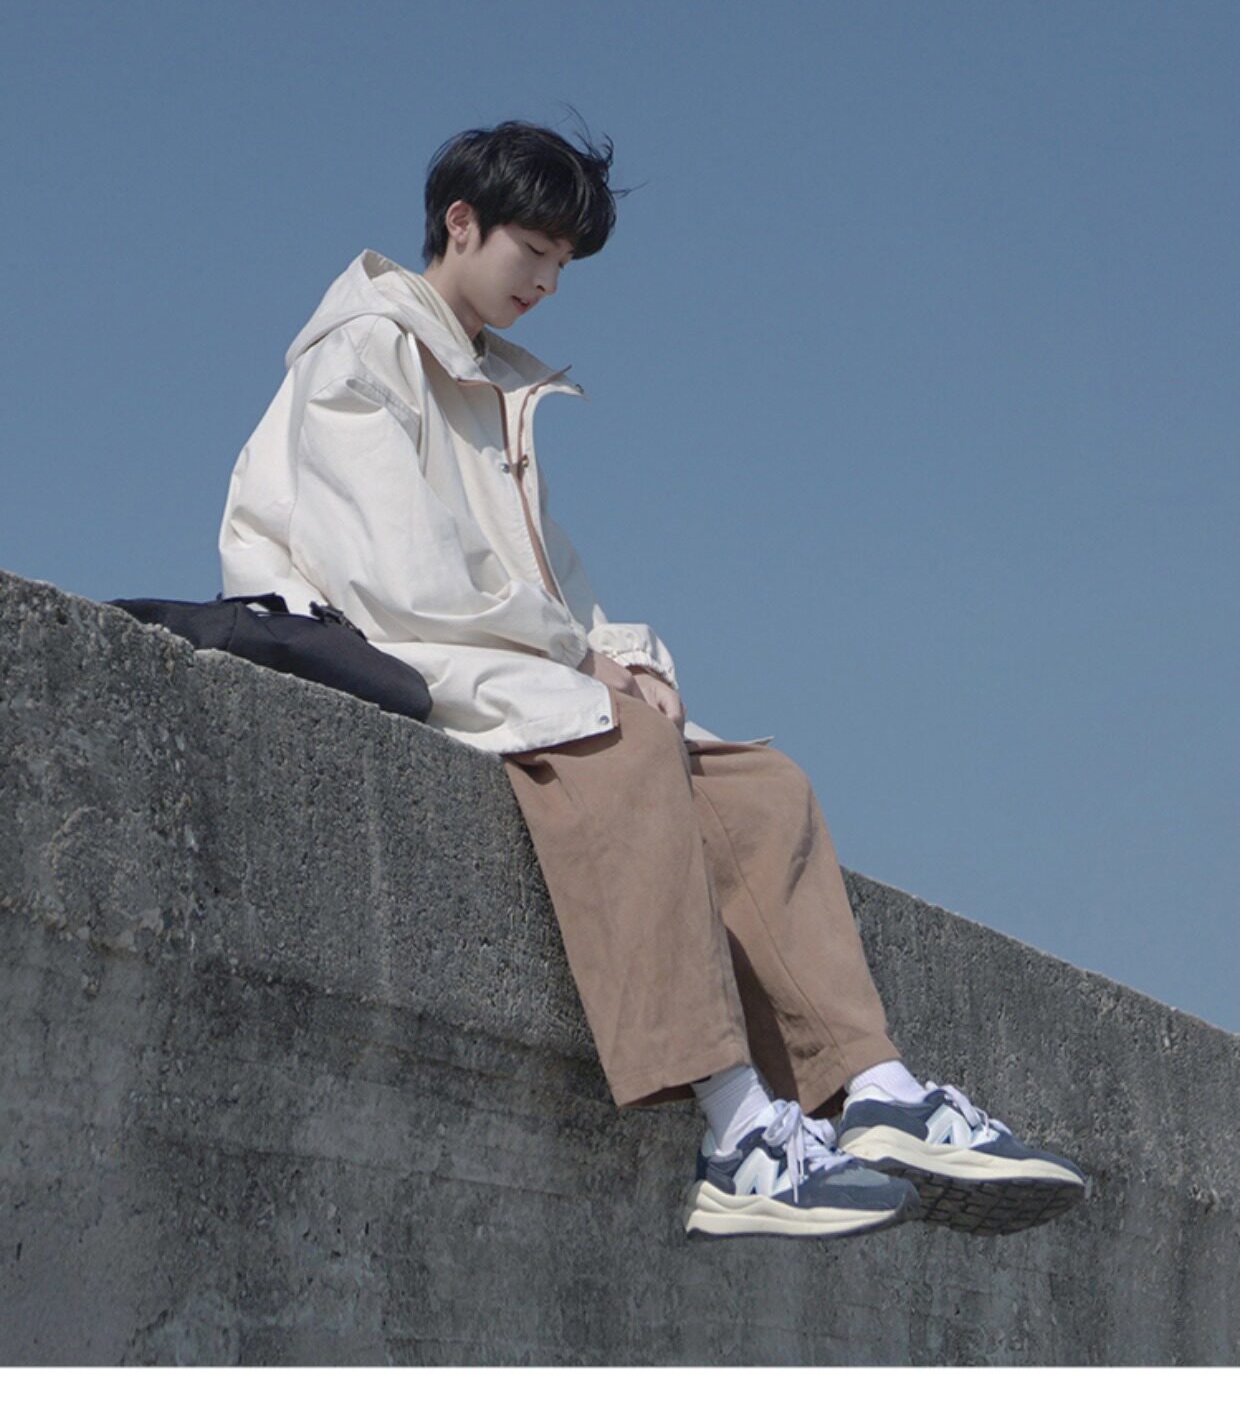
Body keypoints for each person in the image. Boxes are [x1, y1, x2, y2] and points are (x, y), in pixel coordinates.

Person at [218, 119, 1087, 1242]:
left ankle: (873, 1093)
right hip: (376, 640)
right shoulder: (360, 351)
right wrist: (586, 662)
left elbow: (547, 576)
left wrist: (628, 655)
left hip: (483, 648)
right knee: (619, 741)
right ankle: (736, 1131)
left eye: (562, 264)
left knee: (761, 786)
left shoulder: (489, 382)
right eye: (534, 250)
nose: (546, 282)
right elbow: (398, 568)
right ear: (460, 223)